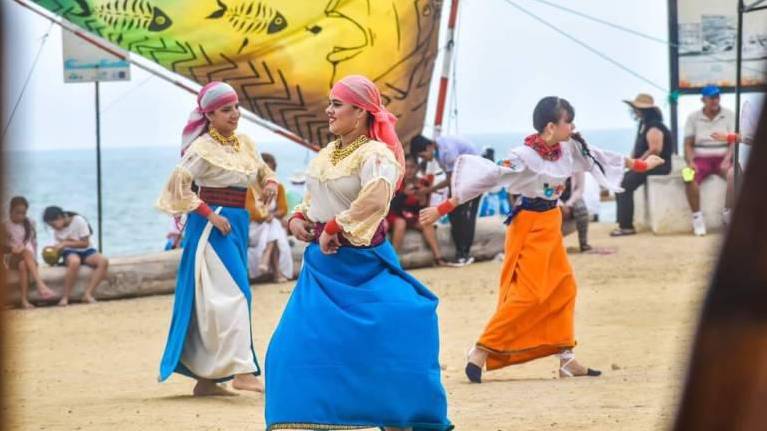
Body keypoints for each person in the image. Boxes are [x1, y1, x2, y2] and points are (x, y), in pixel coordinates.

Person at [420, 96, 664, 383]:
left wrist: (640, 165)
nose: (572, 126)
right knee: (529, 294)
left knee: (564, 288)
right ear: (550, 127)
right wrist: (442, 208)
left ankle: (566, 359)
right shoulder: (523, 155)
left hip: (551, 223)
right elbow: (487, 178)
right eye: (567, 121)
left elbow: (601, 156)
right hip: (528, 225)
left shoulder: (570, 147)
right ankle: (481, 349)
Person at [265, 75, 452, 431]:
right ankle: (301, 420)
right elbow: (313, 197)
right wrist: (298, 218)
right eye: (330, 103)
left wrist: (335, 226)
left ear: (362, 111)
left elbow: (376, 197)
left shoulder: (376, 154)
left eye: (337, 104)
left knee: (399, 328)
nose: (329, 111)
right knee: (288, 350)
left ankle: (403, 416)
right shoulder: (325, 155)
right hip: (321, 269)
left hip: (364, 264)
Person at [155, 81, 279, 396]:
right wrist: (210, 214)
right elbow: (178, 186)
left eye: (236, 107)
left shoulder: (246, 144)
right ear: (209, 115)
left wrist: (270, 184)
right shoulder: (201, 148)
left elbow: (263, 172)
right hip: (214, 226)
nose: (235, 114)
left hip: (237, 222)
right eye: (226, 110)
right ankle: (242, 371)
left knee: (213, 300)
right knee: (236, 296)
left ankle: (207, 379)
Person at [410, 133, 480, 267]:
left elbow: (450, 180)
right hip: (465, 178)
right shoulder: (438, 149)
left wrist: (428, 190)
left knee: (465, 215)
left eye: (423, 156)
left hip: (474, 178)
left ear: (429, 147)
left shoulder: (447, 153)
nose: (424, 159)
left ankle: (464, 254)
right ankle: (461, 253)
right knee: (455, 213)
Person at [612, 93, 674, 236]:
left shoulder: (654, 126)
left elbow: (655, 150)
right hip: (648, 165)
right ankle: (623, 222)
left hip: (657, 166)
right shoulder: (644, 124)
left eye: (635, 108)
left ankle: (626, 226)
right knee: (621, 181)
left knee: (623, 184)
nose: (633, 111)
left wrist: (638, 164)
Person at [683, 85, 735, 236]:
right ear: (703, 100)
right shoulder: (693, 117)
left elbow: (733, 141)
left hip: (723, 156)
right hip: (701, 157)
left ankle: (728, 213)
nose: (715, 100)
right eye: (711, 97)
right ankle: (697, 218)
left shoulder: (729, 115)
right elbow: (688, 143)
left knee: (734, 175)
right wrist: (690, 161)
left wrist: (728, 158)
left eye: (717, 97)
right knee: (688, 175)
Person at [42, 206, 108, 306]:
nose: (53, 228)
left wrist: (65, 243)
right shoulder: (57, 231)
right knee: (74, 262)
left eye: (53, 224)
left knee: (103, 261)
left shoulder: (78, 221)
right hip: (70, 252)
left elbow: (85, 243)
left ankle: (88, 294)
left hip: (86, 250)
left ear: (60, 217)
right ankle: (65, 297)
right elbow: (60, 248)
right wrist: (53, 250)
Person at [710, 98, 762, 225]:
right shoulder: (753, 103)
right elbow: (748, 137)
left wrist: (729, 137)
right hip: (751, 161)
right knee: (733, 174)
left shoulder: (751, 104)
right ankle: (730, 214)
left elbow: (748, 137)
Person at [387, 154, 445, 266]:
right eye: (406, 167)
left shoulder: (423, 183)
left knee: (426, 222)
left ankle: (438, 257)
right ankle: (393, 260)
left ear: (417, 168)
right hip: (396, 214)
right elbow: (390, 207)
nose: (409, 171)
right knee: (401, 223)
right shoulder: (395, 183)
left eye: (412, 167)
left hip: (412, 215)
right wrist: (403, 195)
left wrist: (422, 200)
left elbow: (423, 209)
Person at [245, 153, 293, 283]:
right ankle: (277, 272)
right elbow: (250, 211)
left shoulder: (279, 187)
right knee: (274, 226)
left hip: (271, 222)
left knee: (273, 225)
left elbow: (283, 209)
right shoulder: (250, 188)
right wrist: (266, 216)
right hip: (255, 226)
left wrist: (273, 216)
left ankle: (267, 258)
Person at [4, 197, 55, 308]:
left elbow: (34, 243)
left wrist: (34, 259)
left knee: (23, 264)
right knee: (25, 252)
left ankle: (24, 301)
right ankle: (41, 285)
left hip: (28, 259)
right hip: (13, 257)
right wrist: (12, 249)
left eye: (23, 213)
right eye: (17, 212)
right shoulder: (5, 226)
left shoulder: (30, 222)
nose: (21, 216)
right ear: (10, 211)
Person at [559, 172, 592, 252]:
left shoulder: (579, 165)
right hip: (553, 198)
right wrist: (559, 204)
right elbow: (546, 188)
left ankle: (583, 243)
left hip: (572, 199)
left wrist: (569, 204)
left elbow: (580, 189)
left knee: (581, 209)